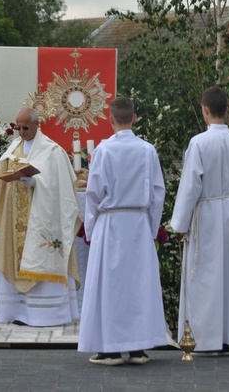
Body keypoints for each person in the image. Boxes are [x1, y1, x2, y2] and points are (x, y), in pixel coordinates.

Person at [0, 107, 81, 326]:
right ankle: (18, 312)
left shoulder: (54, 152)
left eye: (25, 128)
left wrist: (37, 183)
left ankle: (47, 315)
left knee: (41, 254)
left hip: (42, 220)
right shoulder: (15, 147)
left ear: (36, 125)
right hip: (16, 220)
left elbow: (63, 190)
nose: (21, 132)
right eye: (18, 127)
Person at [78, 96, 167, 366]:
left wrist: (91, 229)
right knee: (138, 285)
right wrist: (150, 228)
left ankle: (111, 349)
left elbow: (93, 194)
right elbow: (157, 193)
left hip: (111, 222)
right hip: (138, 223)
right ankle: (139, 348)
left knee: (111, 286)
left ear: (110, 119)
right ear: (135, 118)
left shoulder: (104, 151)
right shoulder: (147, 150)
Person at [170, 85, 229, 354]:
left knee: (204, 278)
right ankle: (228, 337)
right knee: (228, 276)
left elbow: (191, 186)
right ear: (226, 111)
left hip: (205, 215)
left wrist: (179, 223)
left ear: (205, 111)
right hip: (227, 214)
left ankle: (205, 339)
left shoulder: (199, 143)